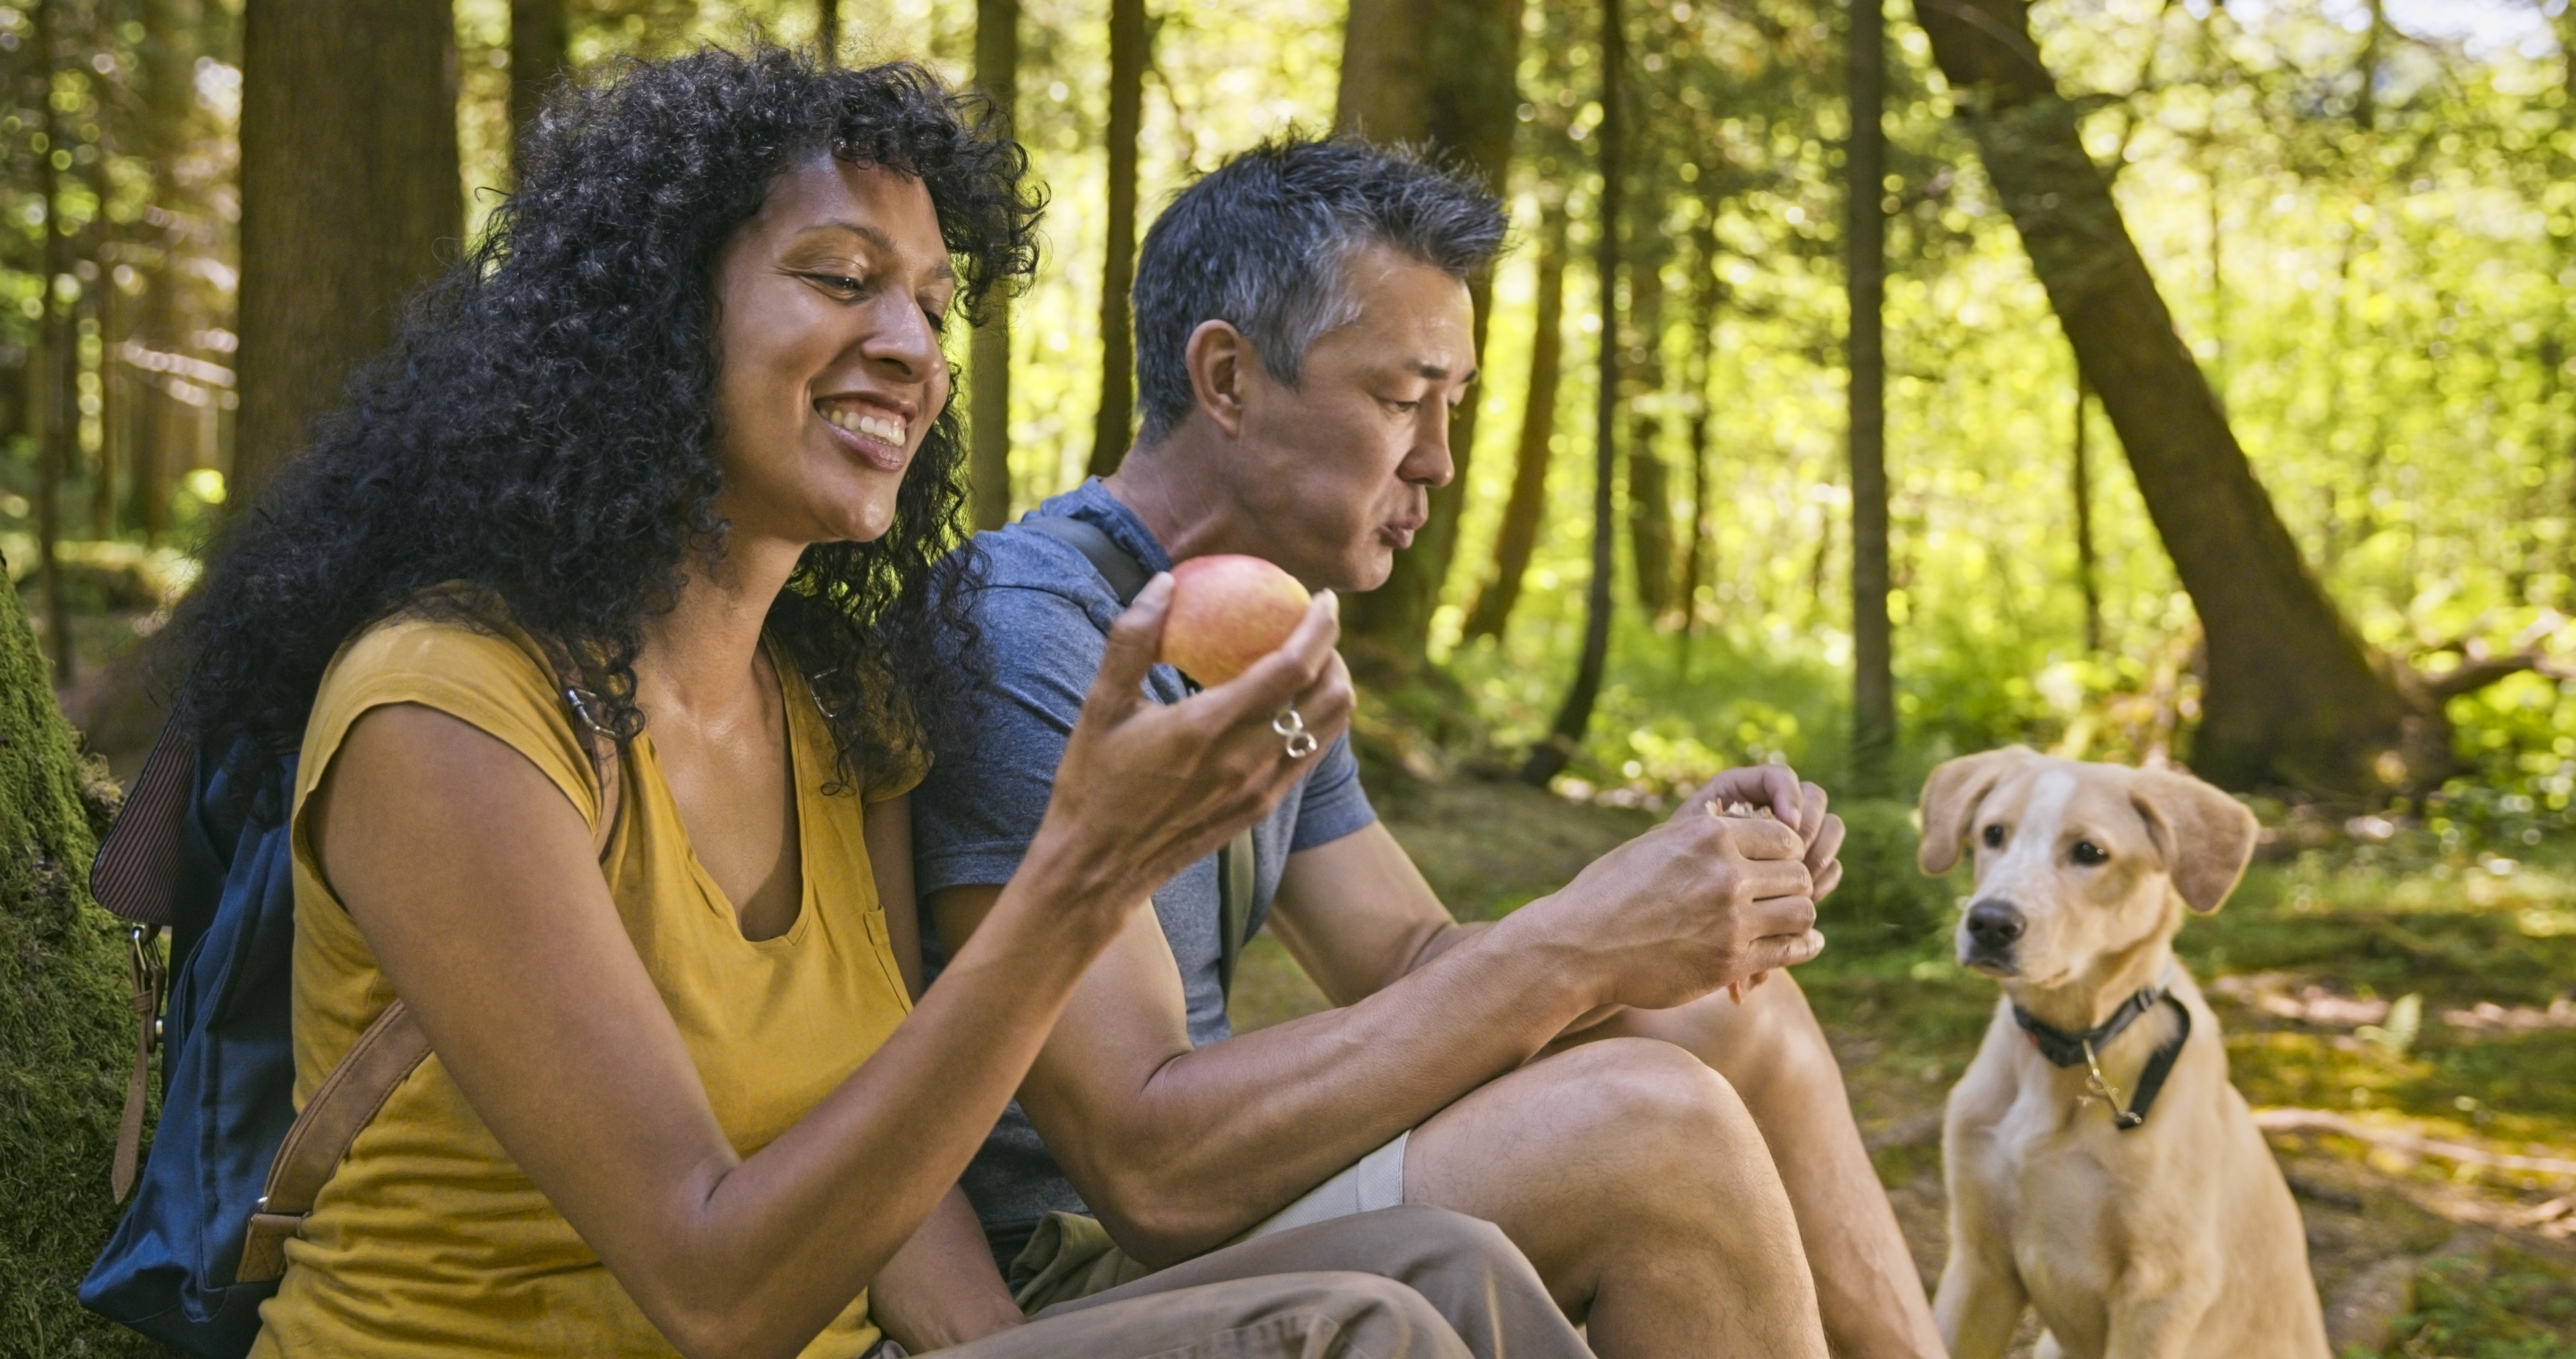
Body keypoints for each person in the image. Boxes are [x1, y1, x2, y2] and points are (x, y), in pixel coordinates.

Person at [169, 49, 1594, 1359]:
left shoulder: (833, 709)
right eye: (842, 280)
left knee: (1444, 1268)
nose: (911, 345)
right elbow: (716, 1287)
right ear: (654, 317)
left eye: (928, 300)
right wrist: (1086, 871)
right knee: (1365, 1331)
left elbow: (894, 1174)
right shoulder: (448, 715)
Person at [914, 138, 1949, 1359]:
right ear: (1229, 379)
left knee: (1733, 1018)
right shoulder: (1033, 632)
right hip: (1071, 1276)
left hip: (1201, 1218)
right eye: (1404, 400)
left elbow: (1408, 956)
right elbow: (1151, 1163)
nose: (1441, 462)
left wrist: (1658, 890)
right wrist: (1582, 941)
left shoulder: (1268, 639)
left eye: (1451, 407)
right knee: (1652, 1129)